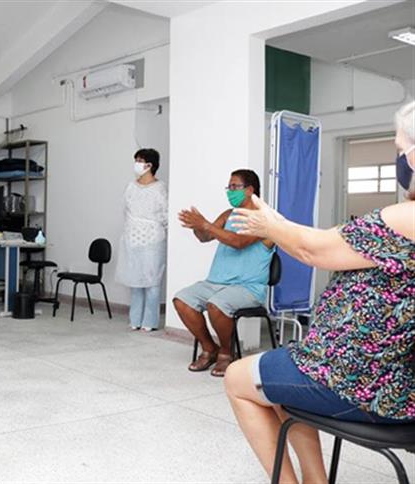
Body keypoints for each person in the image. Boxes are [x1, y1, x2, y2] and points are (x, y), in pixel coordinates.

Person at [224, 101, 415, 484]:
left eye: (401, 149)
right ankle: (315, 480)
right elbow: (322, 242)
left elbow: (315, 251)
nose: (400, 160)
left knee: (237, 378)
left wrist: (270, 226)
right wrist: (278, 224)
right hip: (389, 373)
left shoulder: (406, 217)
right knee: (277, 372)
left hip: (365, 381)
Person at [173, 169, 274, 377]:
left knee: (217, 304)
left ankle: (227, 354)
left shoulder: (265, 220)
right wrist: (197, 226)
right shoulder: (228, 215)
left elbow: (238, 242)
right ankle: (209, 348)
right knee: (182, 300)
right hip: (215, 283)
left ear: (250, 190)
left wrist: (206, 225)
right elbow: (205, 237)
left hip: (247, 288)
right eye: (229, 187)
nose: (230, 191)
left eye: (234, 186)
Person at [115, 148, 168, 332]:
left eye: (140, 160)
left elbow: (165, 215)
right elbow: (125, 210)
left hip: (153, 240)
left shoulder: (160, 188)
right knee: (135, 281)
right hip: (132, 238)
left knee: (152, 281)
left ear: (150, 165)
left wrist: (152, 228)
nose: (136, 164)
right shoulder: (131, 187)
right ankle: (135, 319)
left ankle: (150, 322)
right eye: (136, 160)